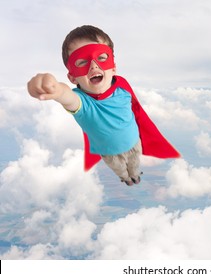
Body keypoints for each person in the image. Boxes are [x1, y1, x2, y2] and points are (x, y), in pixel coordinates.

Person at [27, 25, 180, 186]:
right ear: (72, 77)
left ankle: (134, 175)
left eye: (101, 58)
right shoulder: (83, 103)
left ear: (113, 68)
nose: (94, 66)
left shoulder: (122, 86)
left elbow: (135, 109)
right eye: (82, 61)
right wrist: (55, 89)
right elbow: (67, 96)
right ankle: (126, 178)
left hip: (134, 142)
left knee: (134, 165)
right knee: (120, 169)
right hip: (109, 153)